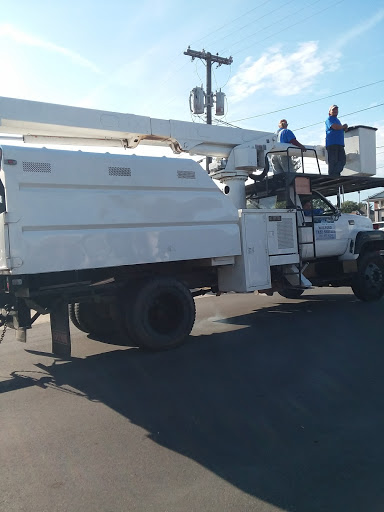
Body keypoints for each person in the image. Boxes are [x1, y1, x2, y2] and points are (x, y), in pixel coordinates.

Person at [325, 105, 348, 176]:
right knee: (333, 161)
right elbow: (334, 127)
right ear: (329, 112)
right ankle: (333, 175)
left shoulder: (337, 120)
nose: (335, 111)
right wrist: (343, 127)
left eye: (336, 110)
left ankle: (335, 174)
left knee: (342, 160)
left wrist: (344, 128)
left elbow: (339, 128)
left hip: (339, 143)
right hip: (332, 143)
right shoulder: (329, 119)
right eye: (333, 110)